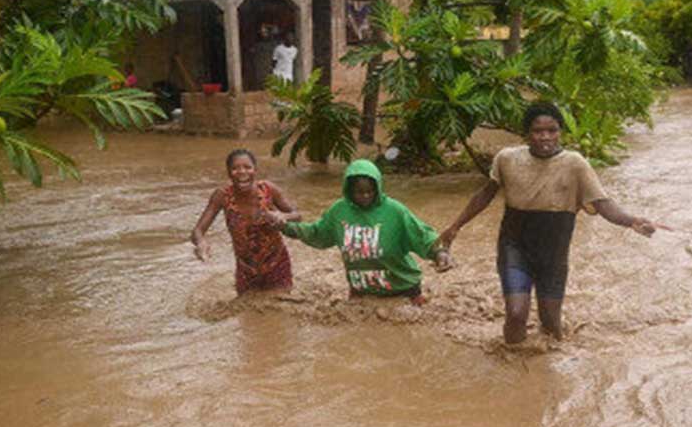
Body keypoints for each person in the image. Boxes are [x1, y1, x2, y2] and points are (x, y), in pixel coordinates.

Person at [439, 102, 666, 344]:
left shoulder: (575, 164)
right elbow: (485, 195)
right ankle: (512, 373)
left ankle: (545, 376)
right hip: (515, 247)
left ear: (560, 132)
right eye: (538, 131)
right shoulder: (507, 159)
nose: (545, 137)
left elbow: (602, 205)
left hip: (554, 254)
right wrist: (455, 227)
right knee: (516, 315)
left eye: (552, 130)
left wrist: (632, 221)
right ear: (527, 133)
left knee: (551, 327)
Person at [266, 159, 454, 305]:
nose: (365, 197)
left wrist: (440, 253)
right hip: (361, 291)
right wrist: (286, 227)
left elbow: (422, 235)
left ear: (377, 189)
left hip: (403, 291)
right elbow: (317, 233)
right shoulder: (338, 212)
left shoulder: (395, 211)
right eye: (358, 192)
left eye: (370, 192)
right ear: (348, 190)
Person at [190, 149, 300, 294]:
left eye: (247, 167)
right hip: (245, 270)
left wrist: (283, 216)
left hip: (276, 263)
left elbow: (297, 215)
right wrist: (201, 243)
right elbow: (197, 231)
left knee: (281, 310)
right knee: (246, 314)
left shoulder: (268, 189)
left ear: (255, 170)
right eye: (235, 168)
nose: (242, 172)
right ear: (229, 173)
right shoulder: (222, 196)